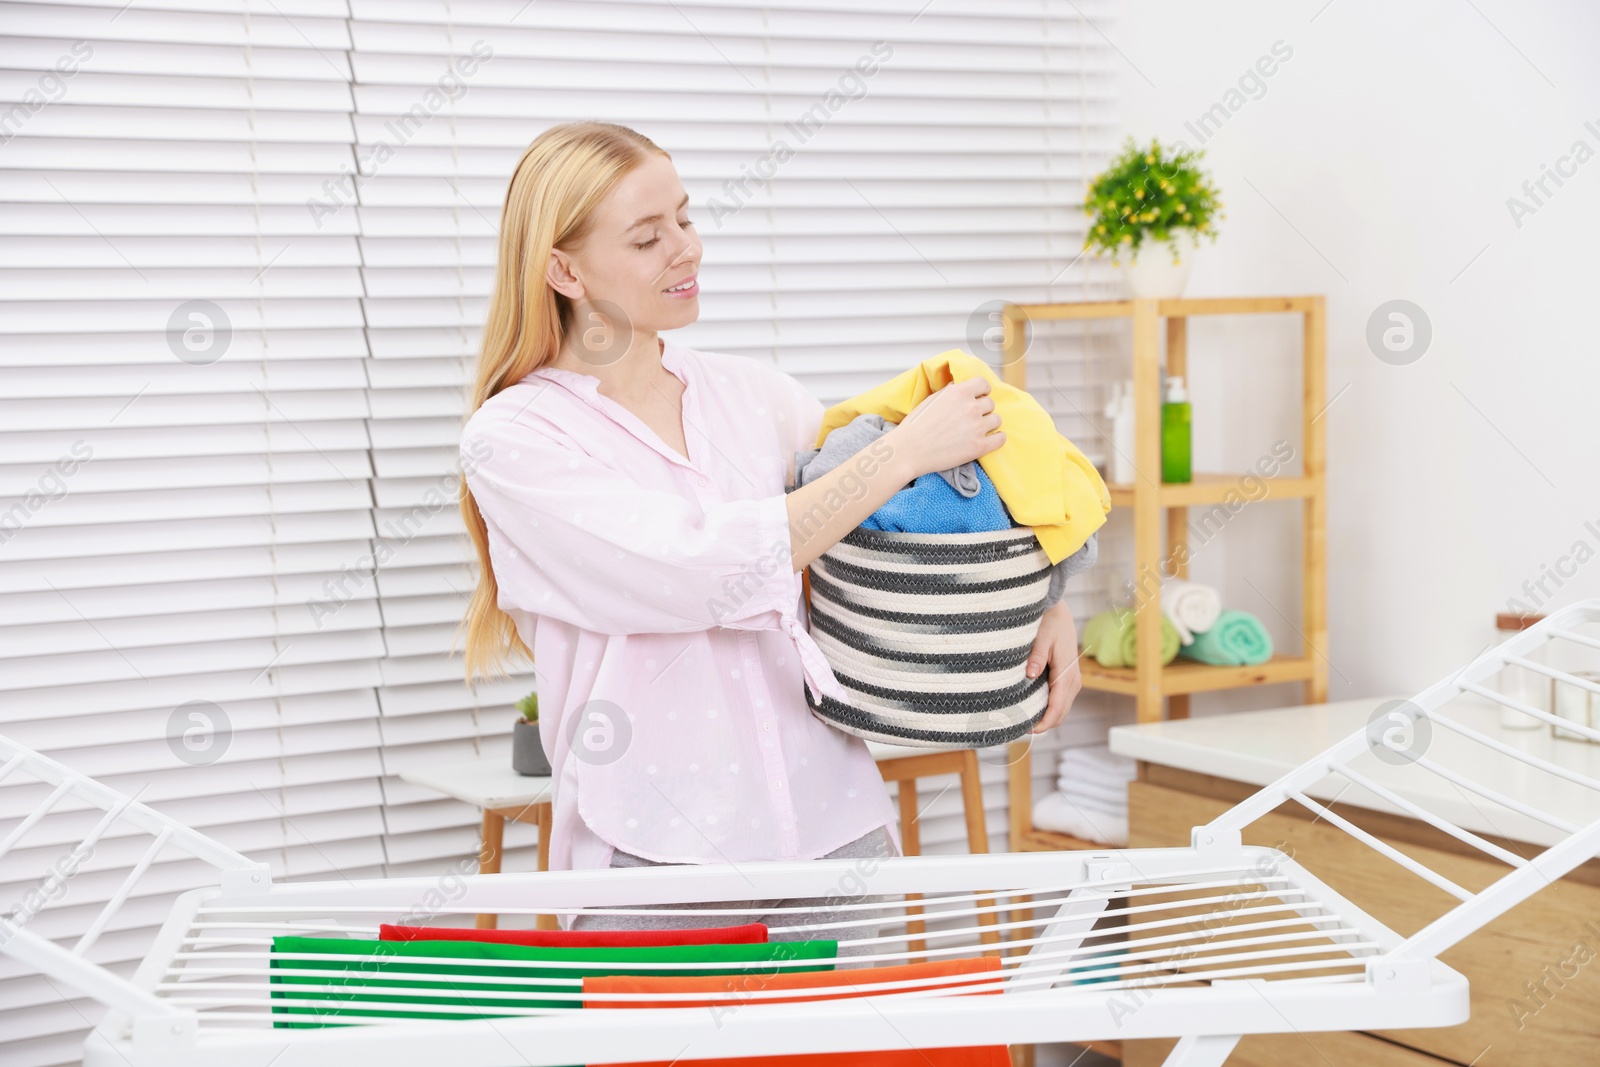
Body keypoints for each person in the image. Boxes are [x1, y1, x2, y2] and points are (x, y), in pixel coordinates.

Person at [455, 121, 1084, 941]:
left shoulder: (756, 395)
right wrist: (897, 453)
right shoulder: (518, 439)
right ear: (564, 269)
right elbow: (693, 570)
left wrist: (1049, 594)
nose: (687, 249)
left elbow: (903, 528)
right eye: (648, 238)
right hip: (656, 846)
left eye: (685, 218)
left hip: (832, 821)